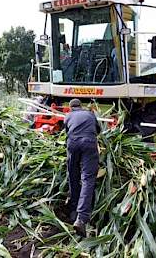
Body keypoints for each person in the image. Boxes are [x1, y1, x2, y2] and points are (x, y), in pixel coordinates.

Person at [64, 98, 100, 237]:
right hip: (89, 143)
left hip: (73, 144)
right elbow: (98, 130)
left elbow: (67, 131)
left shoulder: (68, 116)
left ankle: (73, 210)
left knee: (73, 175)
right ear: (81, 106)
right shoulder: (90, 114)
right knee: (88, 179)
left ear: (70, 107)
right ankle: (82, 218)